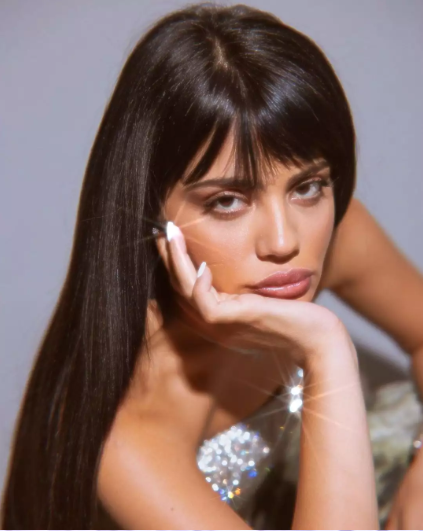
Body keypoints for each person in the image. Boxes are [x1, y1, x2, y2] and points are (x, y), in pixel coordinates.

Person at [1, 2, 422, 529]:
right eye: (227, 201)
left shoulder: (336, 234)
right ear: (151, 209)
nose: (284, 241)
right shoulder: (123, 426)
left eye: (307, 186)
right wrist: (326, 347)